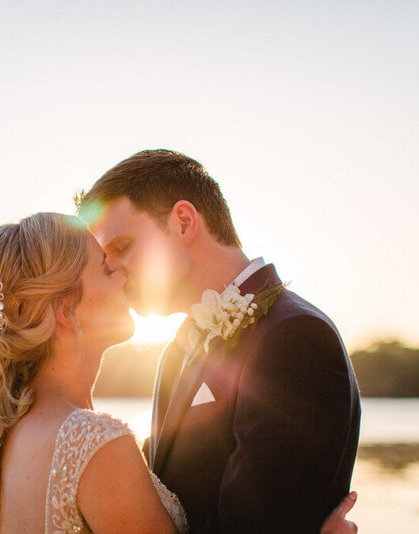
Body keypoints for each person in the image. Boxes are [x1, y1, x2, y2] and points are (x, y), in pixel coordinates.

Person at [0, 212, 358, 533]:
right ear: (65, 310)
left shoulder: (15, 433)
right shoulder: (94, 444)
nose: (122, 275)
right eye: (106, 269)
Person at [77, 149, 362, 533]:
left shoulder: (295, 339)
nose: (115, 272)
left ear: (183, 221)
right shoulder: (179, 349)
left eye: (123, 247)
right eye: (106, 261)